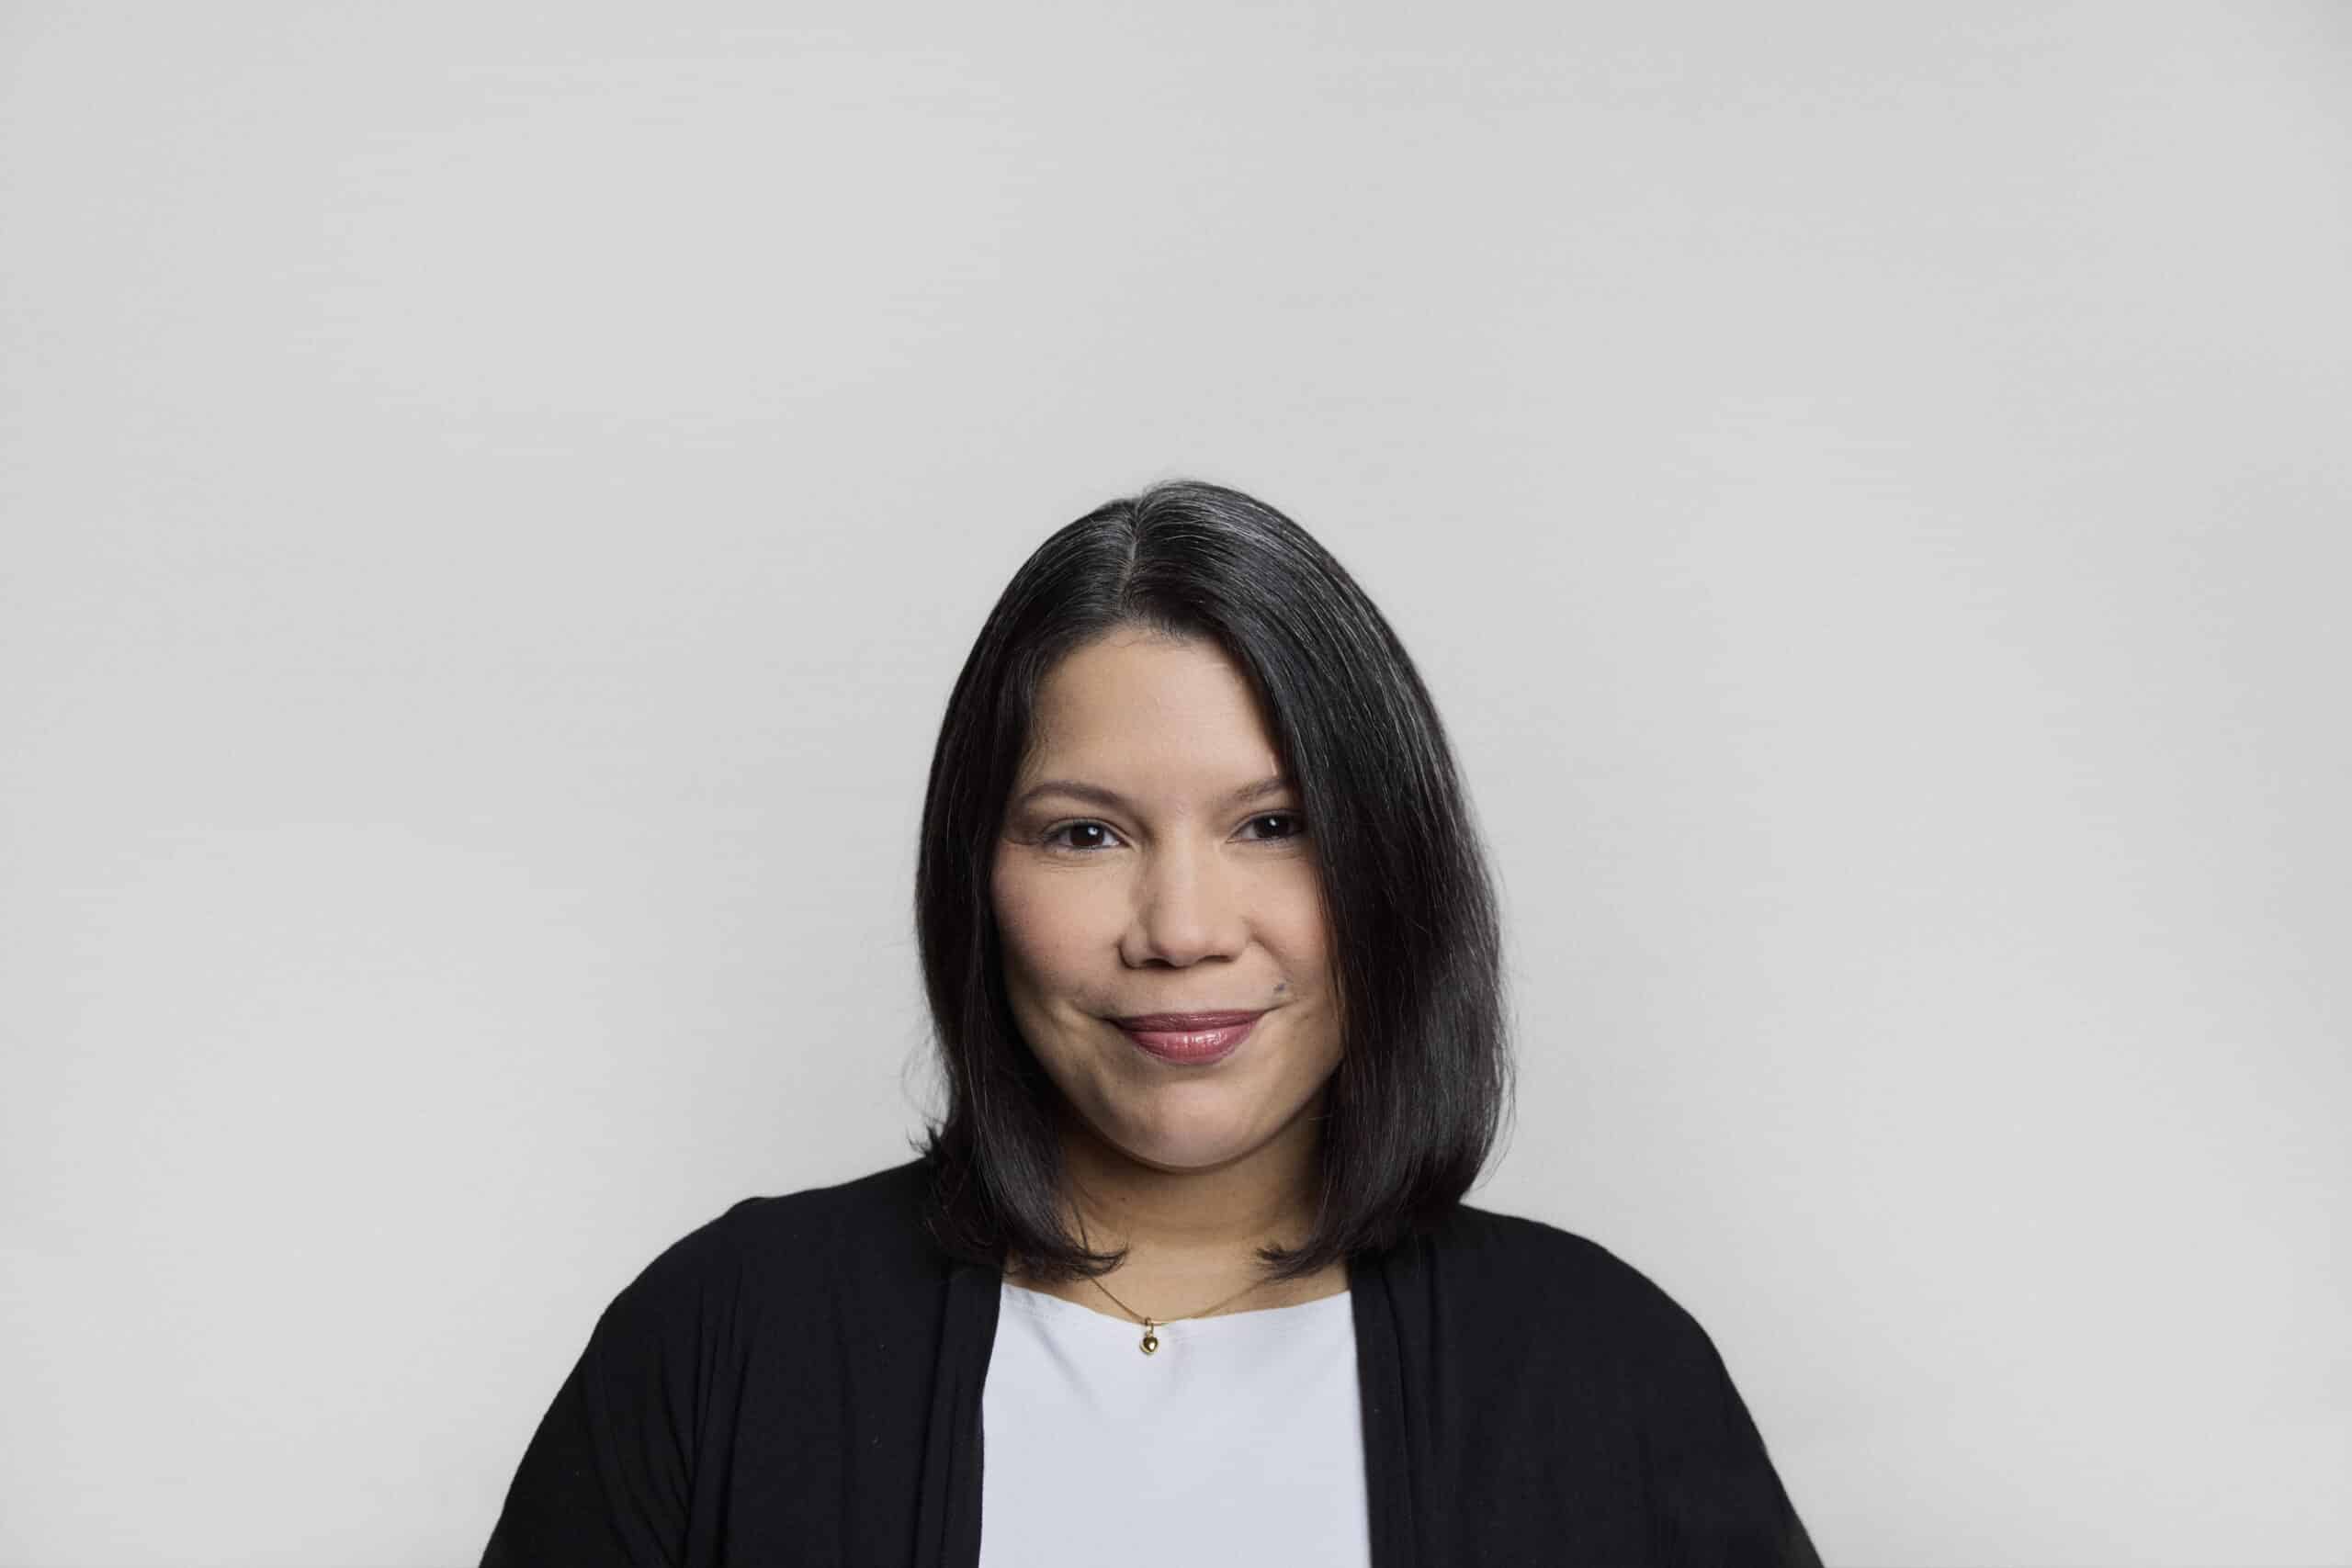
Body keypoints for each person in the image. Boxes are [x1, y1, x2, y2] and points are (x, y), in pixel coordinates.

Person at [479, 480, 1821, 1566]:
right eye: (1085, 833)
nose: (1181, 929)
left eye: (1273, 825)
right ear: (976, 877)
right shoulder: (725, 1335)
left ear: (1394, 869)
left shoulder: (1608, 1369)